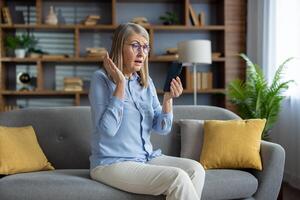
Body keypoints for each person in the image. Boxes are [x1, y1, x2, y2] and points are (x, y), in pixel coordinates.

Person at [89, 22, 205, 200]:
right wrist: (120, 85)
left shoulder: (145, 82)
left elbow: (162, 128)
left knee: (196, 170)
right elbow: (108, 130)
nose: (141, 53)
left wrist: (168, 98)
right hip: (111, 163)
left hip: (146, 157)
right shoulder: (101, 79)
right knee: (178, 178)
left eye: (145, 47)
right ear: (120, 47)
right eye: (135, 46)